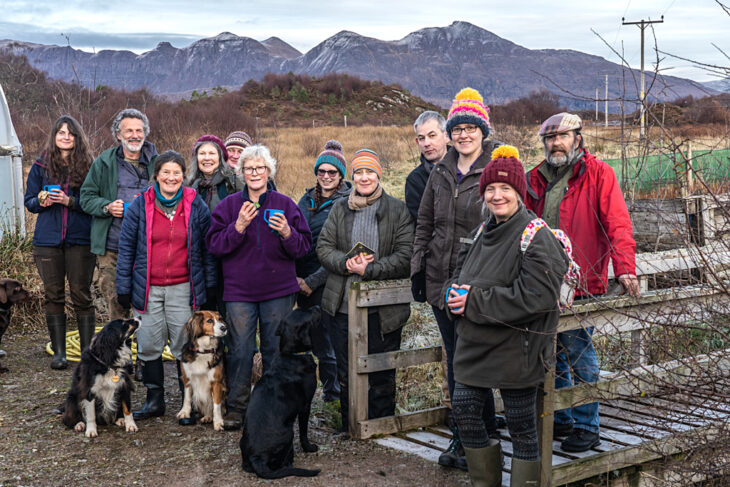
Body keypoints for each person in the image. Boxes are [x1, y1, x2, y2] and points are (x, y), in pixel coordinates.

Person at [447, 146, 569, 486]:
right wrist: (451, 295)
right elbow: (457, 278)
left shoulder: (536, 236)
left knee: (521, 427)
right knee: (466, 410)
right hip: (475, 347)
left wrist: (473, 301)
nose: (497, 196)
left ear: (519, 193)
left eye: (505, 189)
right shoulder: (479, 233)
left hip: (518, 347)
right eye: (490, 189)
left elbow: (538, 297)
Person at [525, 112, 640, 453]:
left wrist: (625, 267)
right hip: (543, 280)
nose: (555, 143)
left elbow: (617, 221)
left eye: (562, 136)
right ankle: (561, 419)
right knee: (550, 351)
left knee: (579, 352)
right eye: (549, 138)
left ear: (578, 138)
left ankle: (587, 425)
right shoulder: (536, 178)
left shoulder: (597, 173)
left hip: (582, 279)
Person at [410, 88, 502, 470]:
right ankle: (467, 436)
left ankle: (478, 437)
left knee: (473, 363)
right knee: (455, 362)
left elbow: (505, 224)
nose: (464, 134)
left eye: (470, 127)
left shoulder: (496, 167)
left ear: (482, 130)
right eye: (458, 128)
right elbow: (426, 223)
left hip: (476, 284)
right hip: (440, 282)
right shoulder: (441, 171)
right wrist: (419, 268)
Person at [205, 144, 312, 431]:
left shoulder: (285, 204)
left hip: (278, 290)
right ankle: (238, 409)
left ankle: (274, 405)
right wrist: (237, 227)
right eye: (249, 168)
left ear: (268, 172)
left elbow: (303, 247)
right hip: (239, 293)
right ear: (241, 172)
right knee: (239, 350)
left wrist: (288, 233)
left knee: (274, 349)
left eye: (260, 168)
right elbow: (214, 246)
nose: (255, 173)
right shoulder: (228, 207)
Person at [317, 149, 413, 435]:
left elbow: (406, 256)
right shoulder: (340, 207)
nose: (364, 177)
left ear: (378, 175)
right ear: (352, 177)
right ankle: (351, 426)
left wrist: (370, 270)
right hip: (343, 307)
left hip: (384, 309)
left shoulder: (397, 209)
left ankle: (382, 425)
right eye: (358, 172)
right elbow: (323, 247)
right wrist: (346, 264)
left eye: (369, 171)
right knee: (347, 371)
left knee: (382, 369)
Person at [116, 150, 216, 423]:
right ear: (156, 176)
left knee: (185, 344)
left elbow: (207, 250)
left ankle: (190, 403)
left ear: (184, 175)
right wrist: (123, 286)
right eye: (166, 172)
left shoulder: (195, 205)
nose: (171, 177)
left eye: (177, 172)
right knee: (148, 343)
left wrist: (209, 286)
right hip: (147, 288)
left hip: (183, 286)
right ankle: (154, 400)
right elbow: (126, 249)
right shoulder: (140, 205)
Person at [24, 115, 96, 369]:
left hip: (80, 241)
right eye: (61, 132)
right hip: (47, 241)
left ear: (78, 137)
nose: (66, 137)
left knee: (81, 295)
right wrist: (41, 202)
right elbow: (29, 201)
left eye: (71, 133)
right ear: (54, 136)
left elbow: (94, 203)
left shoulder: (89, 166)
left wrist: (70, 202)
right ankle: (59, 353)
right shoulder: (41, 166)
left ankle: (88, 354)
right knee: (53, 295)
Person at [80, 108, 158, 321]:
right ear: (118, 134)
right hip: (112, 247)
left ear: (145, 133)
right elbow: (86, 197)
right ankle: (119, 351)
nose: (135, 135)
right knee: (116, 303)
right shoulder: (104, 162)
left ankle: (147, 352)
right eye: (129, 130)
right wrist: (107, 207)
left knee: (150, 304)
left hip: (149, 246)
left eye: (139, 130)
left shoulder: (158, 163)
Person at [296, 140, 352, 403]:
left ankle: (335, 393)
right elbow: (293, 236)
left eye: (332, 172)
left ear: (341, 175)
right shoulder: (306, 200)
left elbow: (341, 249)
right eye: (322, 172)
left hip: (329, 279)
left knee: (330, 339)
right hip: (302, 279)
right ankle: (329, 388)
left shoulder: (347, 202)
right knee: (317, 339)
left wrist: (313, 281)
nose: (326, 177)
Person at [187, 134, 242, 212]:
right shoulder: (189, 186)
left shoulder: (233, 183)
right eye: (202, 153)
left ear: (220, 158)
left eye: (212, 153)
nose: (207, 158)